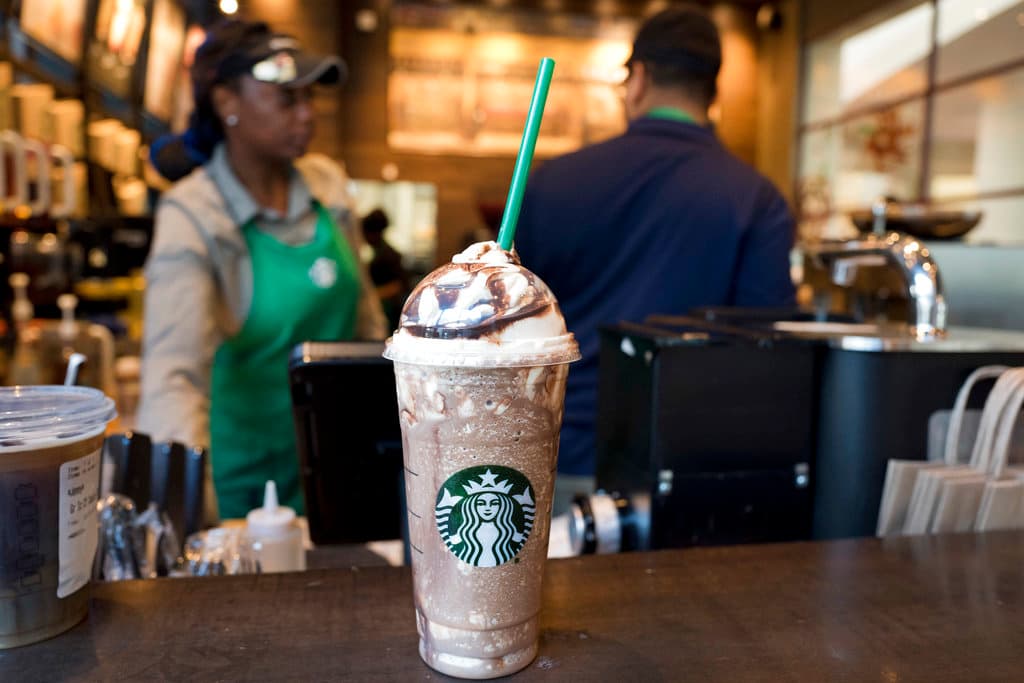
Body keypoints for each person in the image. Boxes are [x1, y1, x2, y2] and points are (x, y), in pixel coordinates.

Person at [514, 6, 796, 513]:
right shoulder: (756, 198)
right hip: (686, 467)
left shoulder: (554, 181)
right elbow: (764, 349)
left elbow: (513, 325)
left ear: (639, 79)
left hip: (558, 453)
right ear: (713, 92)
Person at [138, 20, 387, 520]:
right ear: (226, 101)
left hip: (347, 469)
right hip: (248, 492)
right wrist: (180, 516)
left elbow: (369, 330)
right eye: (287, 98)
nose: (307, 113)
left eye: (309, 97)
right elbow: (173, 380)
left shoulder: (327, 186)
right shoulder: (194, 214)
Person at [361, 208, 410, 331]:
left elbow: (399, 285)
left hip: (389, 311)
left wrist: (373, 295)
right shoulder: (378, 252)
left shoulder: (388, 255)